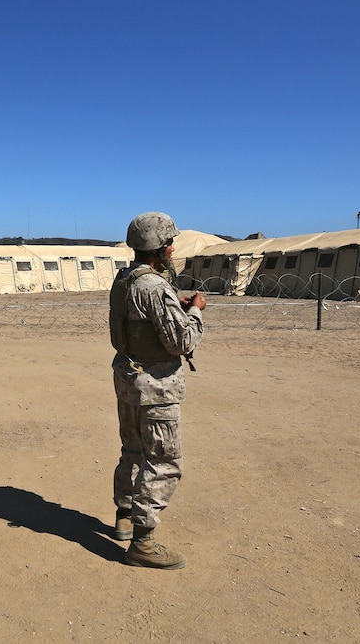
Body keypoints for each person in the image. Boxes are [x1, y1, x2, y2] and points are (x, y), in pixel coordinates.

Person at [109, 211, 206, 570]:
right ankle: (143, 542)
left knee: (132, 450)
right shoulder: (154, 286)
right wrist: (195, 312)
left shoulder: (126, 279)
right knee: (163, 461)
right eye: (170, 243)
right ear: (160, 248)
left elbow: (141, 321)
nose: (173, 248)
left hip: (128, 378)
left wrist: (173, 309)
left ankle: (124, 515)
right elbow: (180, 340)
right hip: (155, 386)